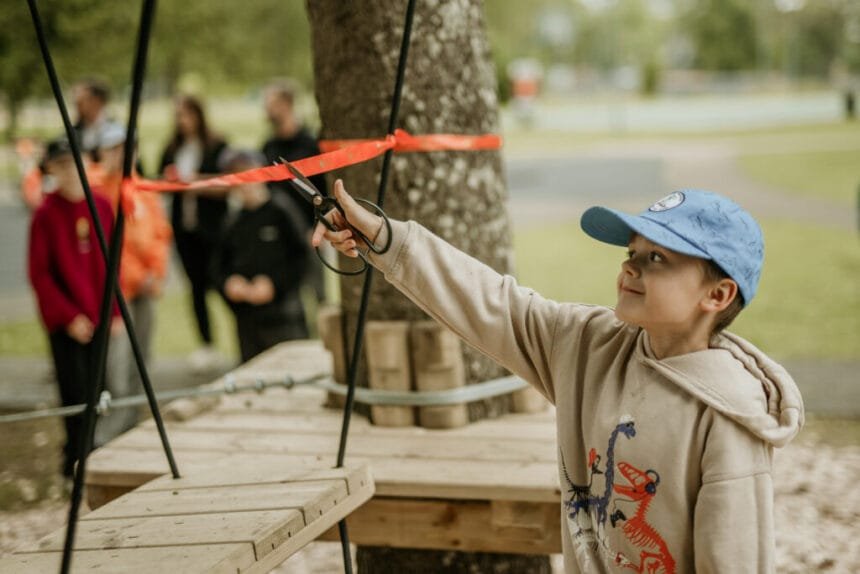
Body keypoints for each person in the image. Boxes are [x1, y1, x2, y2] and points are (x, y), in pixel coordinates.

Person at [314, 182, 805, 572]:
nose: (630, 268)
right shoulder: (590, 344)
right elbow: (492, 303)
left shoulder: (729, 418)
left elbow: (734, 560)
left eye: (657, 258)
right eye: (631, 252)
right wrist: (385, 238)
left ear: (717, 295)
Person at [28, 137, 120, 478]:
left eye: (74, 162)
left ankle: (95, 455)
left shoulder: (102, 206)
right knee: (74, 393)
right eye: (62, 165)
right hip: (67, 322)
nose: (69, 172)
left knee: (99, 389)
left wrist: (113, 311)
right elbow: (40, 274)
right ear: (51, 169)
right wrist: (68, 317)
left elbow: (112, 264)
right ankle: (75, 462)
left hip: (98, 318)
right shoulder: (45, 215)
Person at [95, 125, 172, 443]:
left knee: (142, 357)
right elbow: (111, 244)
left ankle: (133, 424)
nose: (124, 155)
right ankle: (109, 433)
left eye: (129, 148)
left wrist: (156, 272)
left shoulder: (144, 189)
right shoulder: (99, 190)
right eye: (116, 149)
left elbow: (160, 234)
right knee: (117, 362)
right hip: (119, 291)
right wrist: (137, 276)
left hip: (146, 289)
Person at [214, 150, 309, 362]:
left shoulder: (282, 211)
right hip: (248, 320)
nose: (245, 184)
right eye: (238, 177)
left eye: (249, 174)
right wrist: (228, 284)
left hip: (283, 316)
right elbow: (218, 265)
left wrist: (275, 285)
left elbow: (301, 259)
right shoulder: (232, 221)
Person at [159, 95, 228, 370]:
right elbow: (162, 182)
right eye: (178, 115)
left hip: (213, 229)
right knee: (196, 288)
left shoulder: (217, 146)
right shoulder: (172, 148)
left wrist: (192, 182)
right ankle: (207, 344)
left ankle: (246, 336)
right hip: (185, 231)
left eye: (188, 114)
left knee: (221, 282)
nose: (183, 121)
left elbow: (228, 184)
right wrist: (172, 181)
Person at [261, 80, 326, 304]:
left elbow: (322, 189)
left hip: (309, 231)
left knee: (318, 292)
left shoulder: (310, 144)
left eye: (271, 103)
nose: (267, 109)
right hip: (281, 234)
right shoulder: (268, 146)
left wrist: (318, 226)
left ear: (287, 104)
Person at [72, 78, 122, 163]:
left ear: (98, 101)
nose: (77, 104)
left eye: (82, 100)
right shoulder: (75, 131)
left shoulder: (118, 131)